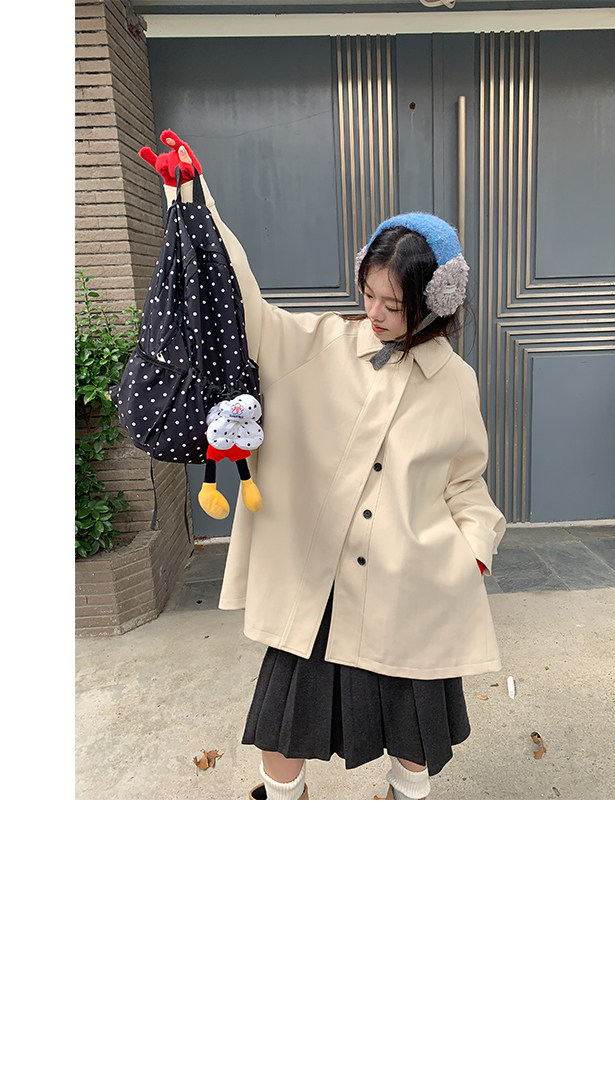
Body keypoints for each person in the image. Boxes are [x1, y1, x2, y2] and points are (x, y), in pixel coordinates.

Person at [139, 130, 507, 800]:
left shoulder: (456, 384)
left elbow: (465, 483)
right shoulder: (317, 345)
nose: (377, 315)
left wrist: (475, 549)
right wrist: (193, 199)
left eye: (395, 305)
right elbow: (241, 301)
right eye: (369, 294)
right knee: (282, 734)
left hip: (411, 586)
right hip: (319, 583)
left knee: (415, 742)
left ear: (437, 302)